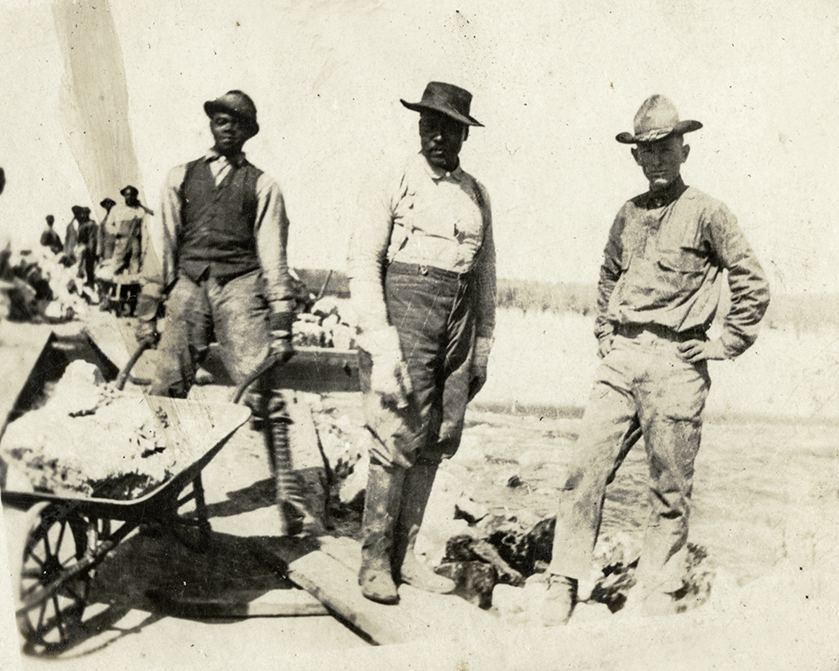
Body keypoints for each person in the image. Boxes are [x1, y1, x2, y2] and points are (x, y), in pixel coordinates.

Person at [540, 95, 770, 625]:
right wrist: (605, 333)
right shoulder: (627, 213)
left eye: (665, 148)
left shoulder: (709, 212)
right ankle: (563, 581)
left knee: (670, 486)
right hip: (622, 358)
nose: (657, 159)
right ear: (636, 158)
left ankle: (660, 592)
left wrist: (724, 343)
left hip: (677, 363)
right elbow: (607, 275)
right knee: (584, 470)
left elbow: (751, 280)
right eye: (646, 151)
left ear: (683, 150)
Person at [347, 82, 496, 604]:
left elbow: (486, 277)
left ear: (463, 134)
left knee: (437, 435)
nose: (437, 136)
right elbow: (364, 263)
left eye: (449, 127)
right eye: (429, 124)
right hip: (404, 312)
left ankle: (406, 557)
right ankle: (373, 562)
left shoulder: (476, 193)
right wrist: (382, 345)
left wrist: (481, 348)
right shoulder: (393, 178)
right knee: (394, 434)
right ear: (418, 126)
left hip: (458, 320)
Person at [135, 90, 309, 533]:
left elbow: (273, 256)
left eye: (236, 121)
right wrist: (149, 309)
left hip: (240, 284)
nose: (226, 126)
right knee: (165, 389)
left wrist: (282, 322)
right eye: (219, 119)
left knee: (259, 383)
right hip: (191, 283)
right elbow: (164, 246)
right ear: (211, 124)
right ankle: (157, 496)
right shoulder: (180, 177)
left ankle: (288, 492)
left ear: (249, 131)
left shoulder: (264, 185)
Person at [110, 185, 147, 275]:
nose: (129, 197)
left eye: (131, 195)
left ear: (135, 196)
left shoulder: (140, 210)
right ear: (124, 196)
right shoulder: (117, 209)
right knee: (115, 269)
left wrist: (144, 248)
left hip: (135, 243)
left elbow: (144, 230)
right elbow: (109, 224)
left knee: (134, 270)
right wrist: (116, 232)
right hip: (122, 242)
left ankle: (131, 287)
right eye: (127, 195)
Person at [76, 207, 98, 287]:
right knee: (87, 265)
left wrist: (90, 247)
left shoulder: (88, 224)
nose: (84, 215)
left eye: (85, 213)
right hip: (87, 246)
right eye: (83, 213)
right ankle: (89, 281)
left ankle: (90, 281)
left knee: (89, 265)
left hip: (89, 247)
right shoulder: (87, 224)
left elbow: (91, 238)